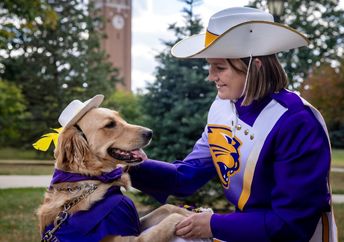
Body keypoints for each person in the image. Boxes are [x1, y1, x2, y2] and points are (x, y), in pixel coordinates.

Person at [129, 7, 338, 242]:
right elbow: (186, 177)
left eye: (219, 67)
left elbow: (289, 225)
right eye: (210, 66)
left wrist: (214, 225)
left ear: (255, 66)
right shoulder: (222, 106)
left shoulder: (297, 121)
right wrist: (125, 165)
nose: (210, 76)